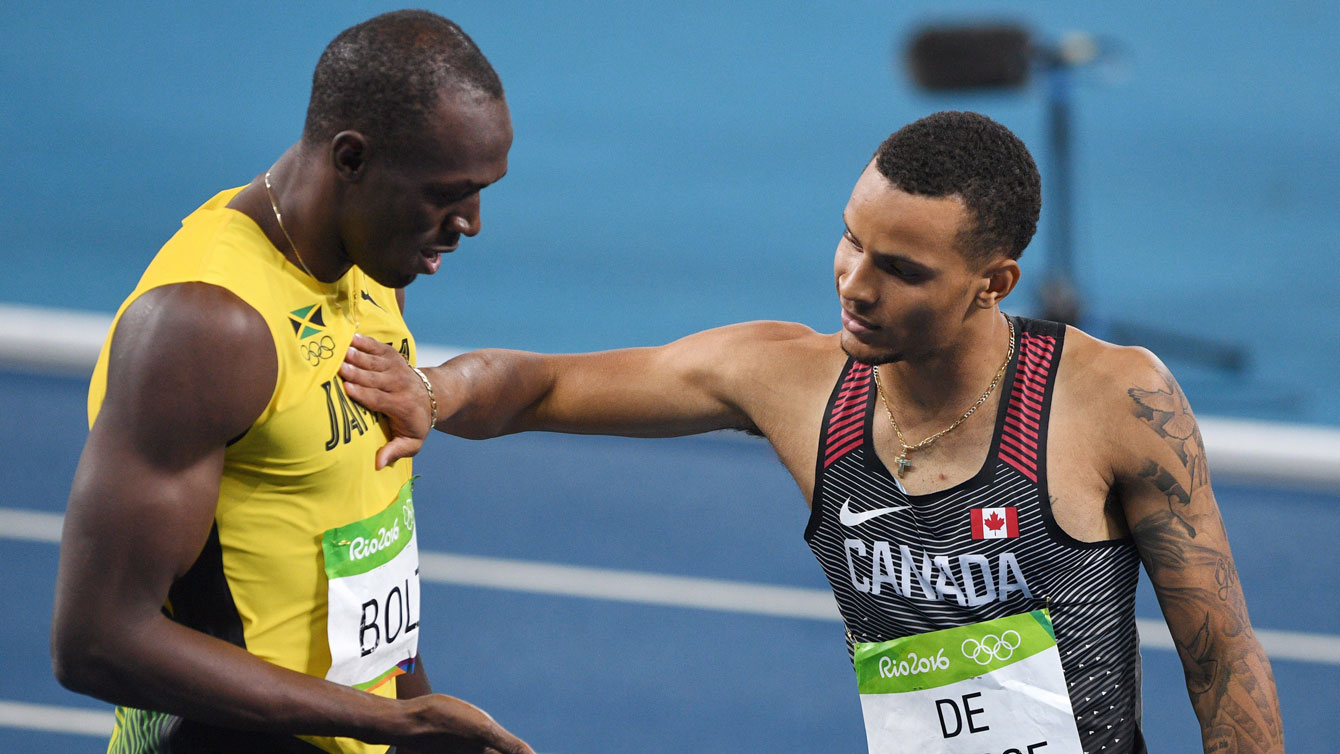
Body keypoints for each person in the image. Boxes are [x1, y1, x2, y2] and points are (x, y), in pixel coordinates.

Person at [341, 111, 1284, 753]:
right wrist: (435, 388)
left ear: (993, 284)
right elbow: (542, 389)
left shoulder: (1111, 398)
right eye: (850, 239)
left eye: (903, 270)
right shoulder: (792, 382)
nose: (854, 283)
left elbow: (1223, 659)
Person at [51, 11, 532, 754]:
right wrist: (389, 721)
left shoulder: (370, 271)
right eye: (447, 192)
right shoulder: (209, 324)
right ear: (351, 159)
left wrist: (414, 720)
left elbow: (365, 543)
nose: (469, 221)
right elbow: (98, 639)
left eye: (482, 190)